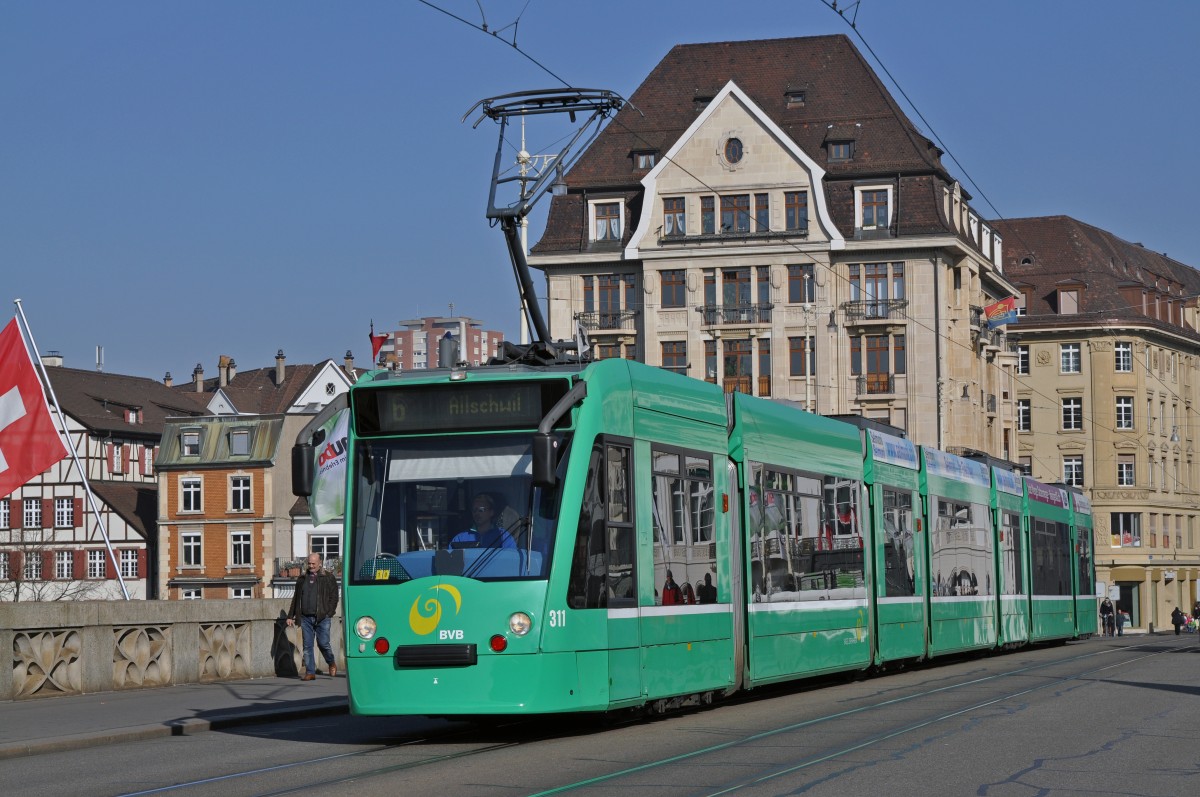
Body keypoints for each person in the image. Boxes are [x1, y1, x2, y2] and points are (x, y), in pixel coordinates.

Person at [287, 554, 339, 681]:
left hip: (322, 617)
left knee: (323, 643)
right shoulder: (302, 579)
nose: (310, 566)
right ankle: (310, 672)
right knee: (307, 646)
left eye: (313, 564)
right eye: (309, 563)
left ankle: (331, 662)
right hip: (305, 617)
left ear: (320, 563)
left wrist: (329, 613)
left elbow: (334, 597)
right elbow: (296, 598)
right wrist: (290, 615)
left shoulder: (328, 577)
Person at [449, 494, 515, 551]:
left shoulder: (503, 536)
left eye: (481, 509)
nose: (477, 513)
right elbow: (450, 560)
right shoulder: (460, 538)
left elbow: (512, 559)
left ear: (491, 512)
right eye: (474, 510)